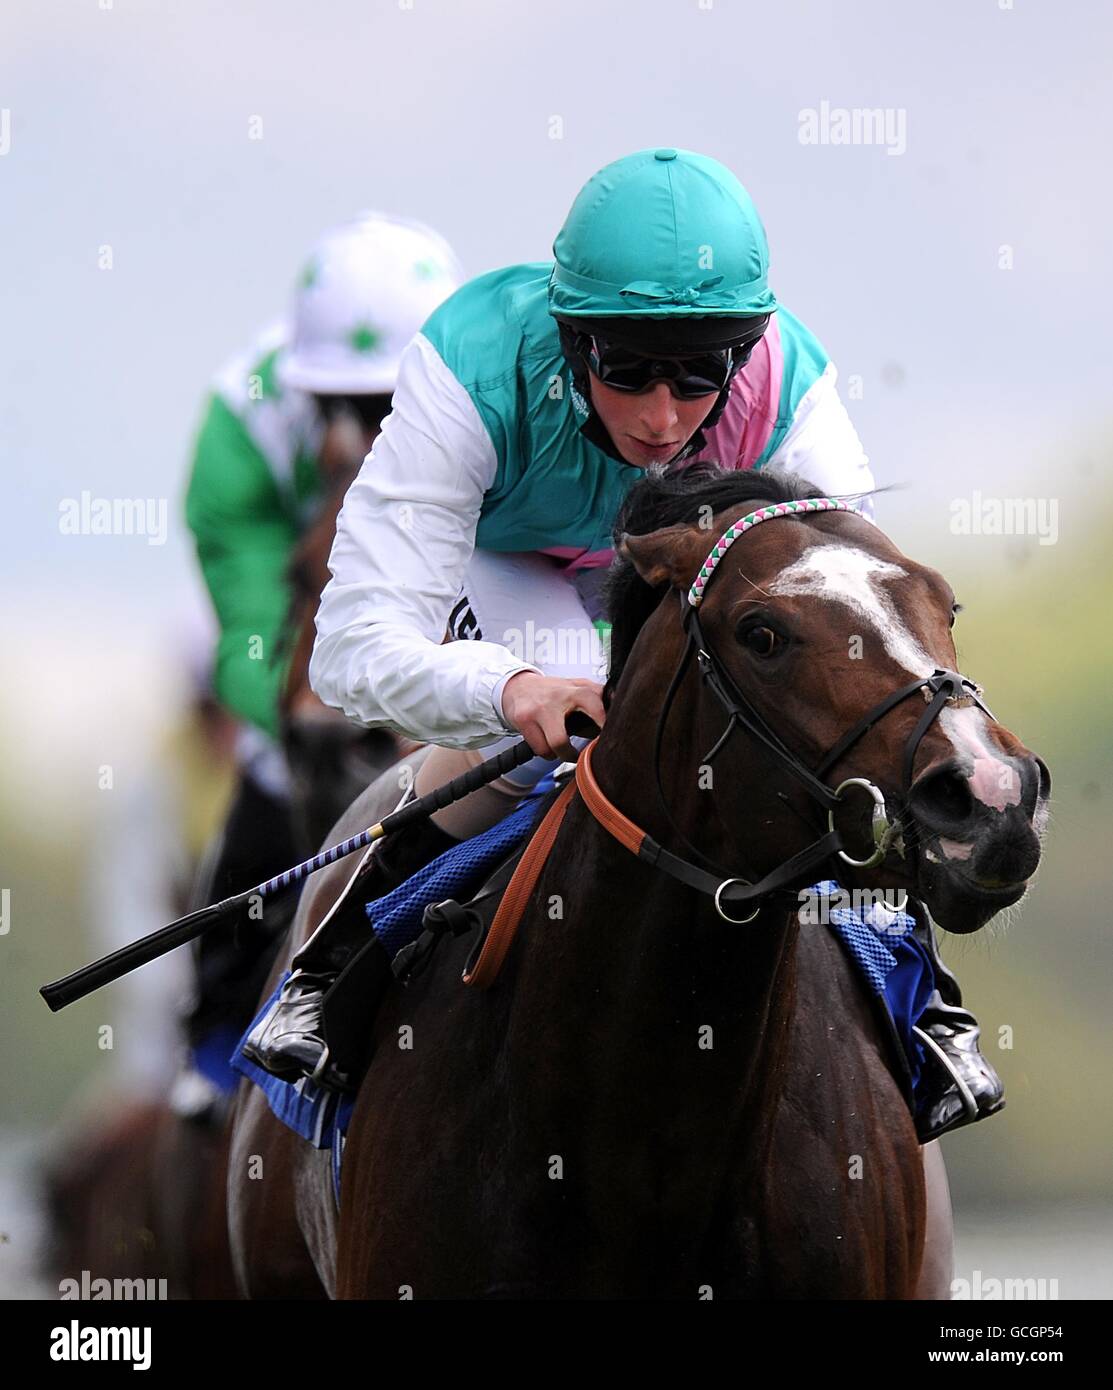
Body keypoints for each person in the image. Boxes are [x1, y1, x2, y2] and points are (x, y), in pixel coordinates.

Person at [242, 149, 1001, 1142]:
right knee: (534, 762)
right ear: (570, 341)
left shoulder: (787, 384)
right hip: (516, 564)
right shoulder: (472, 363)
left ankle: (920, 998)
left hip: (687, 571)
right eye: (627, 370)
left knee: (812, 740)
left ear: (744, 351)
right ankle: (331, 970)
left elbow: (852, 629)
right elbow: (349, 650)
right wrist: (509, 690)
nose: (662, 414)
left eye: (698, 375)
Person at [182, 212, 464, 1052]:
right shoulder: (240, 436)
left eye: (384, 407)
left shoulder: (505, 396)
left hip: (453, 645)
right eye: (335, 406)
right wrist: (329, 710)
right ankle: (216, 1043)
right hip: (316, 667)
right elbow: (252, 643)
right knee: (278, 760)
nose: (357, 436)